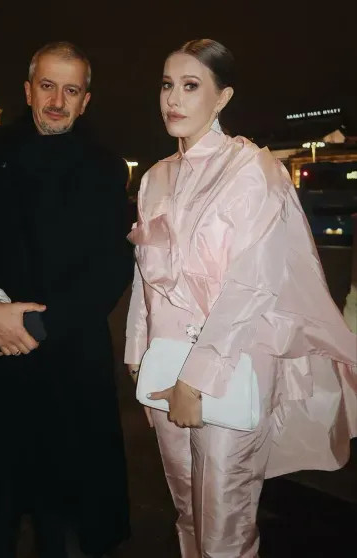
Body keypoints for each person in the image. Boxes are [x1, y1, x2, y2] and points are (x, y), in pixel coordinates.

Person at [125, 39, 357, 558]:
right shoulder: (156, 177)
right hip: (165, 360)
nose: (173, 99)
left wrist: (195, 379)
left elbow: (252, 285)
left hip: (233, 363)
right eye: (167, 85)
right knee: (187, 511)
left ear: (222, 97)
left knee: (224, 521)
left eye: (191, 86)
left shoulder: (252, 169)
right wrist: (138, 352)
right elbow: (146, 275)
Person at [0, 41, 132, 558]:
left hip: (67, 369)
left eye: (71, 90)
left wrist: (33, 328)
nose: (57, 101)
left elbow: (110, 268)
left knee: (63, 528)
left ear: (85, 100)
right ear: (28, 90)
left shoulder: (107, 168)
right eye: (47, 86)